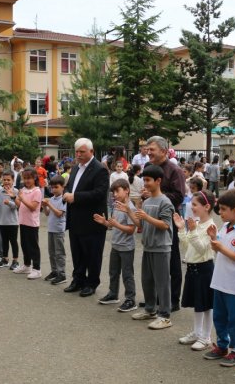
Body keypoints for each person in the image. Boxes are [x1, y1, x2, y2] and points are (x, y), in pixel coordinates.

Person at [203, 190, 235, 367]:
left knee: (234, 319)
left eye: (223, 209)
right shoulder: (225, 227)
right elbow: (222, 248)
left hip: (234, 283)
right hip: (220, 281)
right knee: (220, 316)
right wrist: (214, 239)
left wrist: (220, 248)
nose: (220, 213)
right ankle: (222, 345)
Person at [62, 138, 109, 297]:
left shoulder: (99, 169)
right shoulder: (75, 168)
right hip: (75, 219)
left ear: (91, 151)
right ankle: (78, 280)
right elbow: (70, 187)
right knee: (77, 252)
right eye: (77, 151)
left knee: (92, 254)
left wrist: (75, 197)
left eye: (82, 152)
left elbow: (99, 193)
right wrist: (66, 194)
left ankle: (92, 282)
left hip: (92, 220)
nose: (79, 154)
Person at [144, 136, 186, 312]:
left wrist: (157, 195)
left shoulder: (174, 170)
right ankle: (154, 299)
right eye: (147, 149)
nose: (148, 152)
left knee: (172, 261)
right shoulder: (148, 168)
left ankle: (172, 300)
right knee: (152, 262)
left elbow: (179, 196)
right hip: (150, 218)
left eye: (151, 149)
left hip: (169, 220)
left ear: (163, 151)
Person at [131, 165, 174, 329]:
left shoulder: (165, 202)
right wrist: (129, 211)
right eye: (144, 180)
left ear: (158, 181)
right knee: (147, 280)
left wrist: (146, 216)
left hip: (161, 247)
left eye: (148, 180)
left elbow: (165, 225)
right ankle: (150, 309)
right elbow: (140, 224)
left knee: (162, 283)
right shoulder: (147, 201)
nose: (145, 183)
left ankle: (165, 315)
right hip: (148, 246)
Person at [175, 190, 216, 351]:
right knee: (197, 303)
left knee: (206, 305)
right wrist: (181, 230)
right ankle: (197, 332)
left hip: (204, 268)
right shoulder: (197, 224)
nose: (191, 207)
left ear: (206, 206)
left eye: (194, 204)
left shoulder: (211, 227)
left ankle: (206, 336)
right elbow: (187, 247)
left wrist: (191, 231)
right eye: (191, 204)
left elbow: (201, 249)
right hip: (193, 268)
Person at [95, 178, 140, 313]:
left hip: (126, 247)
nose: (114, 194)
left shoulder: (130, 208)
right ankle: (113, 294)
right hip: (115, 245)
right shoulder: (116, 205)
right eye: (113, 191)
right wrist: (104, 222)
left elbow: (131, 230)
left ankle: (130, 299)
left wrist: (116, 225)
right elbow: (112, 224)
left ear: (127, 190)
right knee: (113, 272)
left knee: (127, 274)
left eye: (117, 191)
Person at [13, 167, 43, 279]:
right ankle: (27, 265)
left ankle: (37, 269)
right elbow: (20, 205)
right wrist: (13, 197)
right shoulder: (23, 190)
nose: (26, 181)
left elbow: (33, 207)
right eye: (25, 178)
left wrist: (22, 198)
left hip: (32, 223)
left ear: (34, 178)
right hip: (23, 221)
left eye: (29, 178)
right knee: (24, 244)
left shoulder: (37, 191)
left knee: (33, 246)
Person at [42, 175, 67, 285]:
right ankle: (54, 271)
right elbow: (47, 214)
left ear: (62, 187)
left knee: (59, 252)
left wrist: (49, 204)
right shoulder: (51, 199)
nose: (53, 189)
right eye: (52, 187)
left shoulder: (63, 200)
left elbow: (59, 214)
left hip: (58, 230)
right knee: (51, 252)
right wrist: (44, 206)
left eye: (56, 187)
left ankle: (62, 274)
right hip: (51, 229)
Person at [0, 170, 19, 269]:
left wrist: (9, 203)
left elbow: (16, 206)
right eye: (4, 179)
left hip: (13, 222)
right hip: (2, 221)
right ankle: (5, 259)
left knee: (13, 241)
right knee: (4, 241)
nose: (6, 182)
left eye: (8, 180)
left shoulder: (16, 191)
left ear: (13, 180)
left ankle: (15, 260)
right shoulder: (0, 191)